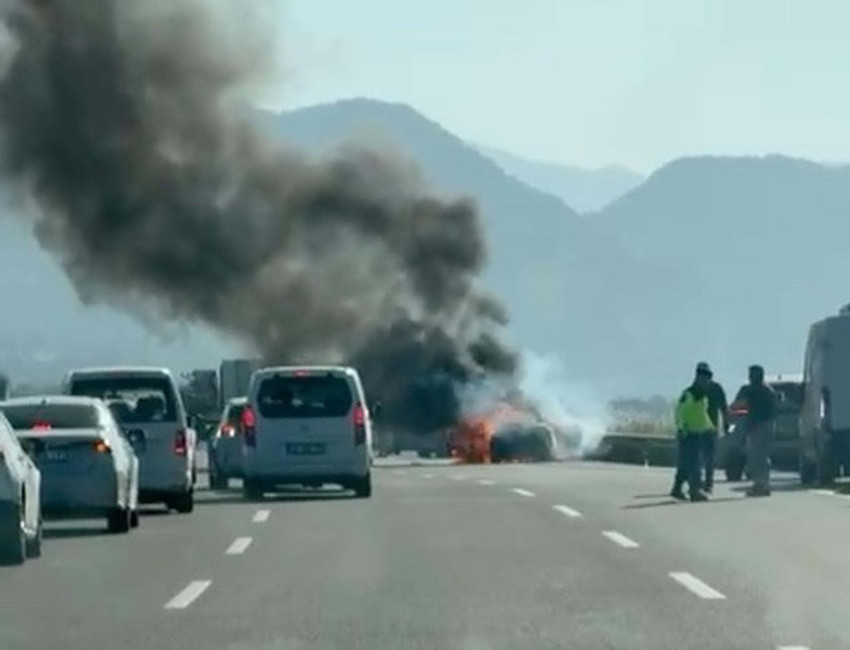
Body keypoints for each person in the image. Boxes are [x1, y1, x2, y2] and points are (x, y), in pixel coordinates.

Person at [671, 365, 715, 502]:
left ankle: (676, 489)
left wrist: (710, 427)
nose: (707, 382)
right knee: (695, 463)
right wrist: (681, 427)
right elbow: (679, 411)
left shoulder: (702, 396)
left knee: (685, 464)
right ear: (698, 377)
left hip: (699, 433)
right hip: (688, 433)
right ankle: (695, 491)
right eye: (705, 378)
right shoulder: (689, 394)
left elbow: (702, 414)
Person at [734, 365, 777, 497]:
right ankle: (764, 484)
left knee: (757, 456)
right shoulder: (769, 391)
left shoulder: (748, 390)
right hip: (768, 425)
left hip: (756, 426)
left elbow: (738, 407)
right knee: (763, 456)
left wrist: (741, 417)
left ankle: (760, 485)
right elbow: (775, 409)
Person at [695, 362, 729, 494]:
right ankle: (699, 482)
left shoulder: (715, 389)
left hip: (710, 427)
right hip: (697, 427)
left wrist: (725, 425)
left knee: (708, 457)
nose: (702, 377)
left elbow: (723, 408)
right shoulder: (695, 389)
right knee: (699, 457)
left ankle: (708, 483)